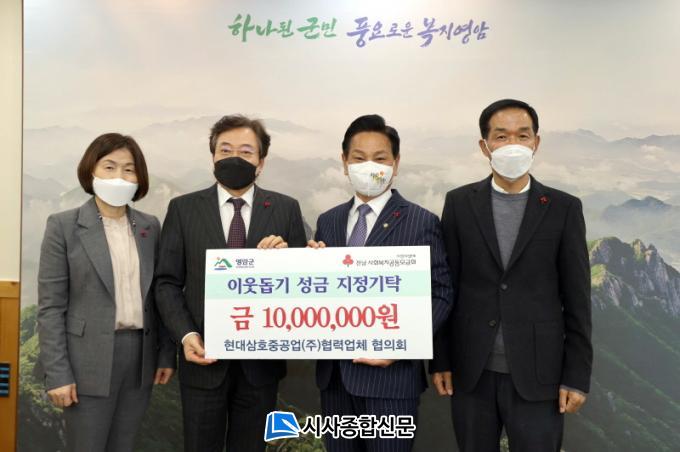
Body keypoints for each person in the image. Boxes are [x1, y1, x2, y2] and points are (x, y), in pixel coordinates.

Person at [431, 99, 593, 451]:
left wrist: (577, 375)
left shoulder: (564, 208)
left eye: (523, 135)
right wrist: (440, 358)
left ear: (536, 142)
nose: (513, 144)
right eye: (501, 136)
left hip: (540, 375)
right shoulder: (459, 203)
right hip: (471, 372)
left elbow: (578, 298)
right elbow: (446, 286)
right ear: (484, 146)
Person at [155, 115, 308, 452]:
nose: (234, 158)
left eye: (246, 151)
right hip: (202, 359)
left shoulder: (285, 209)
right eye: (225, 150)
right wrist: (186, 335)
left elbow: (302, 283)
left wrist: (286, 259)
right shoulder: (183, 209)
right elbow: (167, 282)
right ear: (212, 156)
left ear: (261, 162)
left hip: (261, 367)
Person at [308, 114, 453, 452]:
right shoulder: (328, 221)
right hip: (334, 380)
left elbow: (441, 293)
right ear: (344, 163)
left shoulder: (421, 221)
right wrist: (310, 268)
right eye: (359, 158)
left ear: (396, 164)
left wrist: (400, 344)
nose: (369, 167)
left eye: (380, 158)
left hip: (391, 382)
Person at [37, 133, 176, 452]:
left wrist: (166, 354)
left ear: (139, 178)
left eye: (129, 169)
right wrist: (57, 373)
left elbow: (161, 295)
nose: (119, 177)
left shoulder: (150, 226)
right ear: (91, 171)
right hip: (85, 360)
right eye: (109, 167)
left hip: (140, 358)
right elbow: (50, 308)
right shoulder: (63, 226)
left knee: (124, 444)